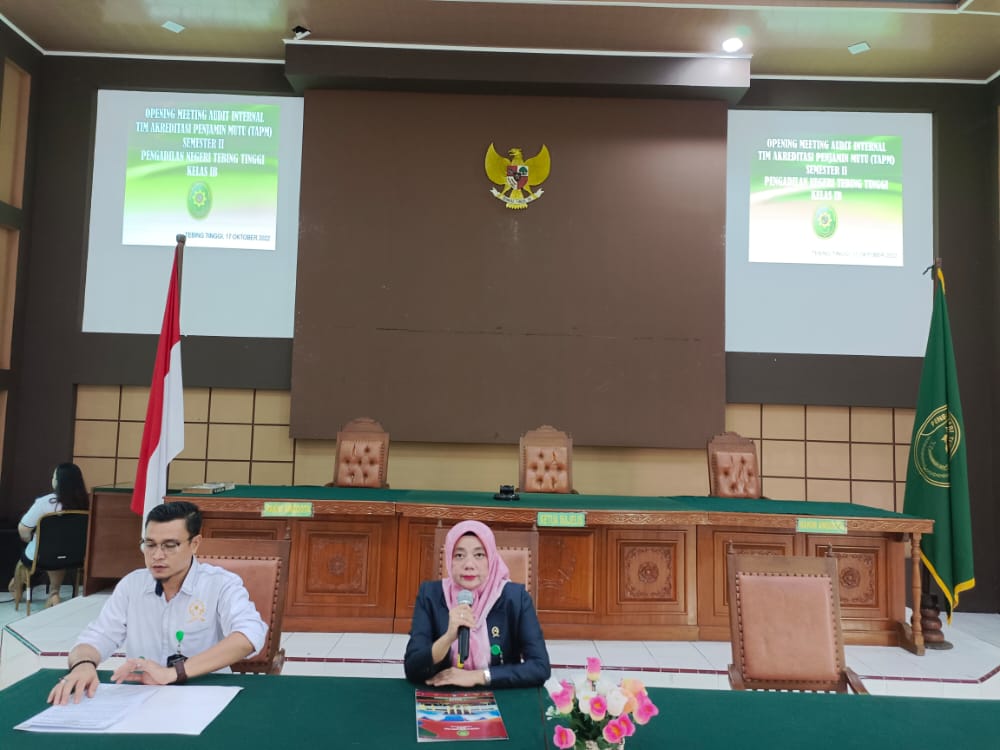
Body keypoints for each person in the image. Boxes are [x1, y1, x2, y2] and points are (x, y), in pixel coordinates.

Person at [47, 501, 268, 705]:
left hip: (206, 696)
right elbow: (98, 636)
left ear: (195, 544)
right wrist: (83, 664)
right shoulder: (132, 585)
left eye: (170, 545)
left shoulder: (220, 584)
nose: (157, 555)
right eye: (150, 544)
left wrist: (173, 673)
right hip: (142, 697)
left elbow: (249, 635)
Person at [404, 520, 550, 689]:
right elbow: (412, 669)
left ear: (492, 560)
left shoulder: (515, 598)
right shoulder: (430, 595)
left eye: (479, 555)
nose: (469, 565)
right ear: (450, 561)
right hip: (444, 696)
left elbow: (540, 667)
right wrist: (448, 638)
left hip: (500, 693)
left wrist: (479, 676)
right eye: (459, 555)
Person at [8, 463, 89, 609]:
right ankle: (54, 593)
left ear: (59, 481)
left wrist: (29, 539)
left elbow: (23, 529)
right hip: (75, 556)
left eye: (54, 476)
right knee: (59, 552)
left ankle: (16, 586)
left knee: (36, 551)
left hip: (42, 556)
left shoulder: (45, 502)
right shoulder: (86, 503)